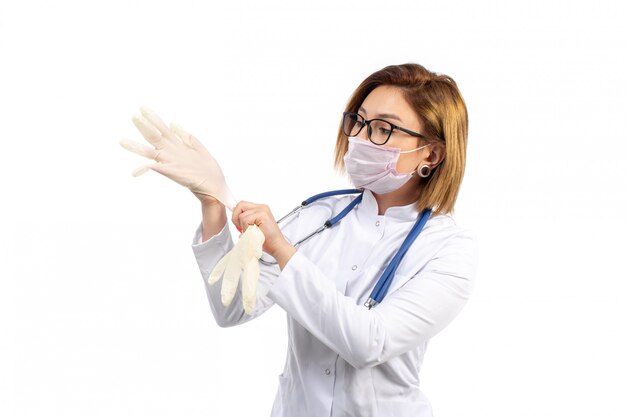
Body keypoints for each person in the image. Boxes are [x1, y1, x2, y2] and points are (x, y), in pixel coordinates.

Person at [121, 62, 477, 417]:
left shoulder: (449, 250)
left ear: (431, 153)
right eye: (359, 122)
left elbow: (370, 342)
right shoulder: (320, 215)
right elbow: (232, 309)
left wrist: (282, 249)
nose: (360, 139)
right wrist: (213, 202)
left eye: (383, 128)